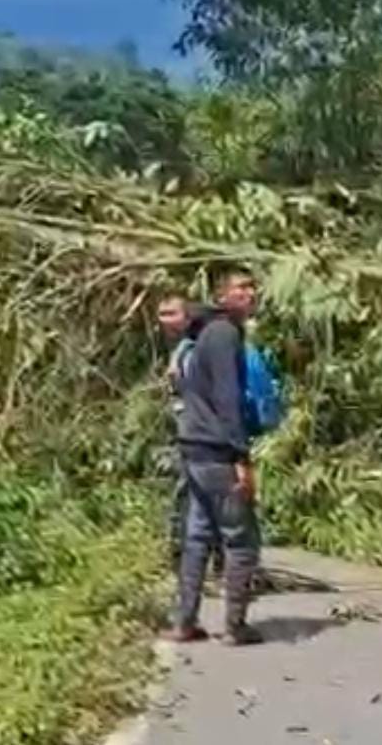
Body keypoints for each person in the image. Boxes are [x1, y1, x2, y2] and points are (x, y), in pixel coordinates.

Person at [166, 267, 263, 646]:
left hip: (194, 446)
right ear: (222, 296)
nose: (249, 294)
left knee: (198, 535)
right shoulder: (223, 334)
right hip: (216, 451)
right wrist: (240, 456)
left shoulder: (204, 333)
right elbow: (228, 397)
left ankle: (184, 622)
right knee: (241, 539)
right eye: (240, 289)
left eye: (252, 287)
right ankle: (235, 627)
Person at [157, 294, 223, 580]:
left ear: (187, 317)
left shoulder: (197, 347)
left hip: (208, 434)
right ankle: (184, 560)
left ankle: (214, 562)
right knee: (189, 493)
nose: (164, 320)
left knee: (207, 495)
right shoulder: (183, 348)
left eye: (171, 314)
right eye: (161, 314)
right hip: (192, 433)